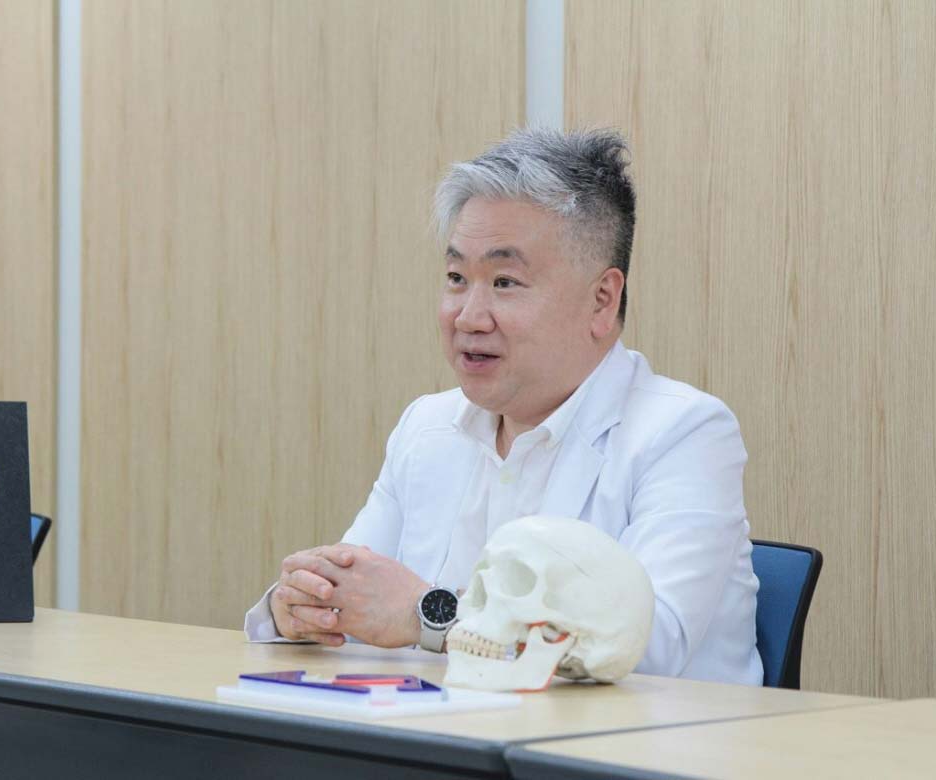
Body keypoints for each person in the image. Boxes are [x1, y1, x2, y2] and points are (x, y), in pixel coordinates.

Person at [244, 127, 763, 685]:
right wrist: (303, 606)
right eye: (456, 278)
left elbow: (647, 649)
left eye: (505, 282)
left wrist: (429, 616)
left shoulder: (684, 433)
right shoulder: (427, 427)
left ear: (601, 300)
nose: (469, 316)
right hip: (445, 731)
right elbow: (357, 594)